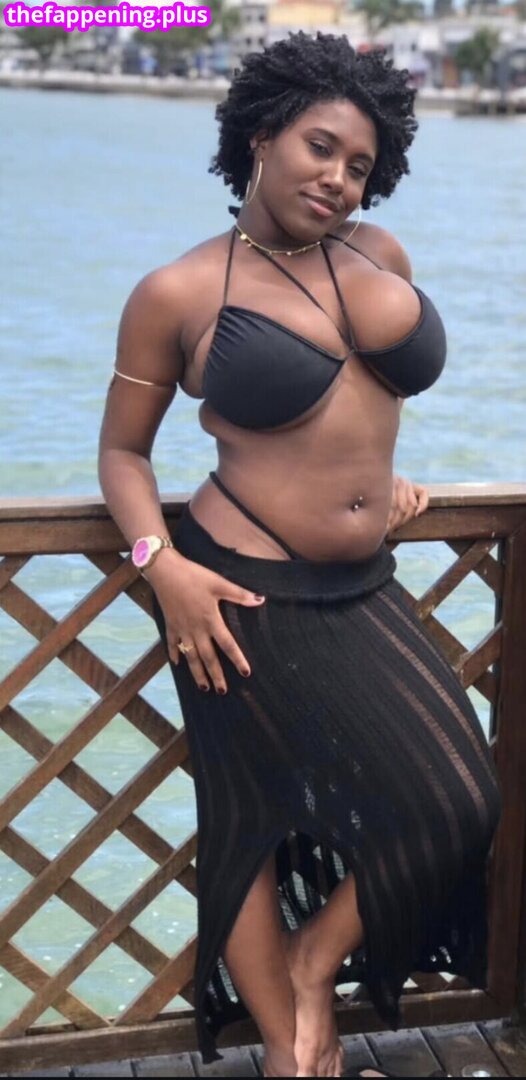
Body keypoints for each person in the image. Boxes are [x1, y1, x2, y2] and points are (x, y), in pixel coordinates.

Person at [98, 32, 502, 1079]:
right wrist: (161, 567)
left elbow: (363, 405)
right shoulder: (178, 291)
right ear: (261, 137)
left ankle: (314, 964)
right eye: (320, 148)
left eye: (359, 164)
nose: (337, 179)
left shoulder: (379, 255)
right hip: (235, 590)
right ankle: (290, 1043)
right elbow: (123, 456)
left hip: (363, 581)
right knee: (250, 812)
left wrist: (381, 486)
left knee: (459, 796)